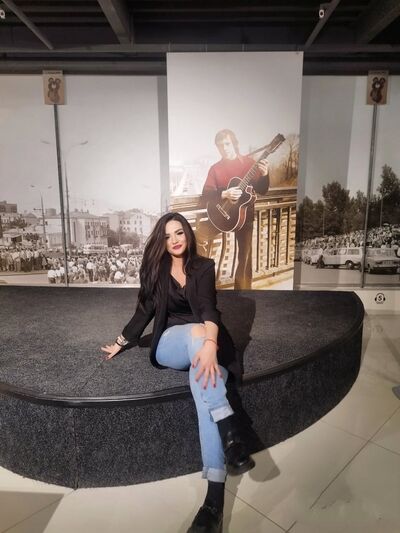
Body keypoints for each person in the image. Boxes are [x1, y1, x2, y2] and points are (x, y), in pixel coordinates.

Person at [101, 212, 254, 533]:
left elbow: (209, 308)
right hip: (171, 343)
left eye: (179, 232)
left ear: (188, 234)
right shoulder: (156, 270)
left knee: (203, 383)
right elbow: (144, 312)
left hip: (203, 343)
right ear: (162, 240)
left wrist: (210, 344)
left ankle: (213, 503)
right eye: (168, 235)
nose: (174, 240)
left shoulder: (203, 267)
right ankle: (230, 430)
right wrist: (121, 341)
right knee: (197, 336)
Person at [197, 129, 270, 289]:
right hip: (220, 215)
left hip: (244, 217)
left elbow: (262, 190)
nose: (224, 148)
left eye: (227, 144)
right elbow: (206, 195)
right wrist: (225, 193)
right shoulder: (215, 169)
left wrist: (265, 174)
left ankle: (242, 295)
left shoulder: (249, 164)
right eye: (220, 145)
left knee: (245, 257)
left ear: (234, 143)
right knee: (198, 236)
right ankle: (203, 282)